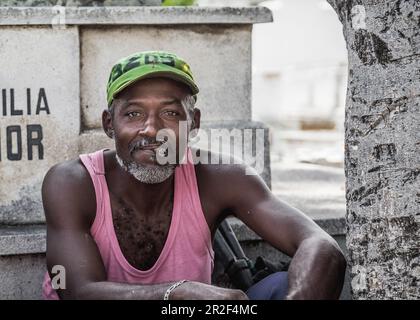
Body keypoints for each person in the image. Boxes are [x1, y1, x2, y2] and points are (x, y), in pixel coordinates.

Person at [41, 51, 346, 300]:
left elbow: (319, 244)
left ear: (194, 123)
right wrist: (176, 294)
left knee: (279, 285)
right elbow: (78, 291)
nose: (151, 128)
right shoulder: (72, 183)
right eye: (133, 114)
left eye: (171, 113)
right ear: (109, 124)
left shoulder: (220, 177)